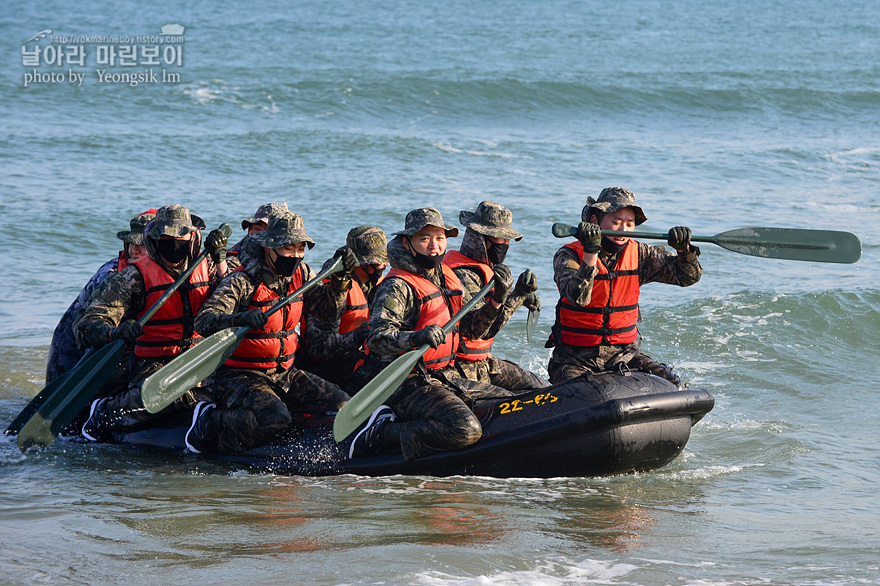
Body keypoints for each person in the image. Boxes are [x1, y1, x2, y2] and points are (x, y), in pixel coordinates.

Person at [186, 210, 357, 454]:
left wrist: (341, 279)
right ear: (269, 248)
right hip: (239, 375)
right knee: (274, 418)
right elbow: (204, 322)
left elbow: (328, 312)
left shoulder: (303, 274)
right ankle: (210, 419)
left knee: (342, 404)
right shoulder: (242, 281)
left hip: (284, 373)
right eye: (288, 248)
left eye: (300, 248)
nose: (296, 255)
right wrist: (238, 318)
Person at [348, 208, 512, 461]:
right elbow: (378, 338)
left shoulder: (446, 277)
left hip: (442, 373)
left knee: (509, 403)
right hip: (403, 380)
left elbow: (472, 329)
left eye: (440, 238)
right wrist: (415, 337)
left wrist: (498, 300)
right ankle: (382, 431)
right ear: (408, 243)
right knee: (465, 429)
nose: (434, 247)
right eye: (425, 239)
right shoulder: (397, 286)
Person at [76, 204, 230, 441]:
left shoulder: (206, 266)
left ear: (192, 236)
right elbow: (89, 323)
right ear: (155, 239)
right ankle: (104, 412)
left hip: (198, 359)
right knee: (163, 397)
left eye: (181, 236)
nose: (174, 242)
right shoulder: (134, 276)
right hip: (154, 363)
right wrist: (115, 332)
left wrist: (220, 259)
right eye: (166, 237)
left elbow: (232, 297)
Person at [547, 187, 702, 387]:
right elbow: (578, 297)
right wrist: (591, 252)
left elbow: (687, 277)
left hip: (624, 355)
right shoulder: (568, 256)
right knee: (583, 398)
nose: (623, 230)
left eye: (629, 224)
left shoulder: (640, 254)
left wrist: (684, 251)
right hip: (574, 359)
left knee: (676, 386)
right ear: (595, 221)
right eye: (616, 222)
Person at [444, 201, 549, 390]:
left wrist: (522, 296)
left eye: (508, 239)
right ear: (480, 238)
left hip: (484, 362)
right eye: (501, 238)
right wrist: (516, 295)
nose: (506, 244)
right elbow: (480, 330)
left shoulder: (484, 268)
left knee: (541, 388)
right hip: (460, 366)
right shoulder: (462, 274)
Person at [45, 209, 155, 384]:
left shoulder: (156, 271)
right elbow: (87, 328)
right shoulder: (113, 275)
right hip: (73, 350)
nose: (135, 251)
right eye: (131, 243)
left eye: (142, 245)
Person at [299, 226, 389, 392]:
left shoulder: (378, 283)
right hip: (323, 368)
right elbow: (317, 349)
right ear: (362, 263)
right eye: (378, 262)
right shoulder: (331, 286)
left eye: (386, 260)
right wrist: (358, 335)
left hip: (359, 358)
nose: (384, 265)